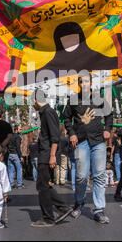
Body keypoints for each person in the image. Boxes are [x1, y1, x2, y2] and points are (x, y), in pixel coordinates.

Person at [63, 74, 113, 224]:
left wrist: (108, 129)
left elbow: (109, 115)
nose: (84, 84)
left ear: (90, 83)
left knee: (99, 175)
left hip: (98, 141)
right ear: (78, 84)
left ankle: (99, 210)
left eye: (86, 81)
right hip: (81, 142)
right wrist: (71, 133)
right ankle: (79, 203)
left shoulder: (99, 97)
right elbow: (66, 118)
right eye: (81, 82)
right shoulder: (73, 99)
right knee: (81, 176)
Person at [31, 89, 73, 227]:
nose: (32, 104)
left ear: (36, 100)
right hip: (45, 153)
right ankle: (61, 209)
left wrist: (52, 156)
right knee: (43, 185)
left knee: (42, 186)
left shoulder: (48, 112)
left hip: (47, 154)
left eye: (32, 101)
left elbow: (55, 137)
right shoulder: (45, 113)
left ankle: (50, 217)